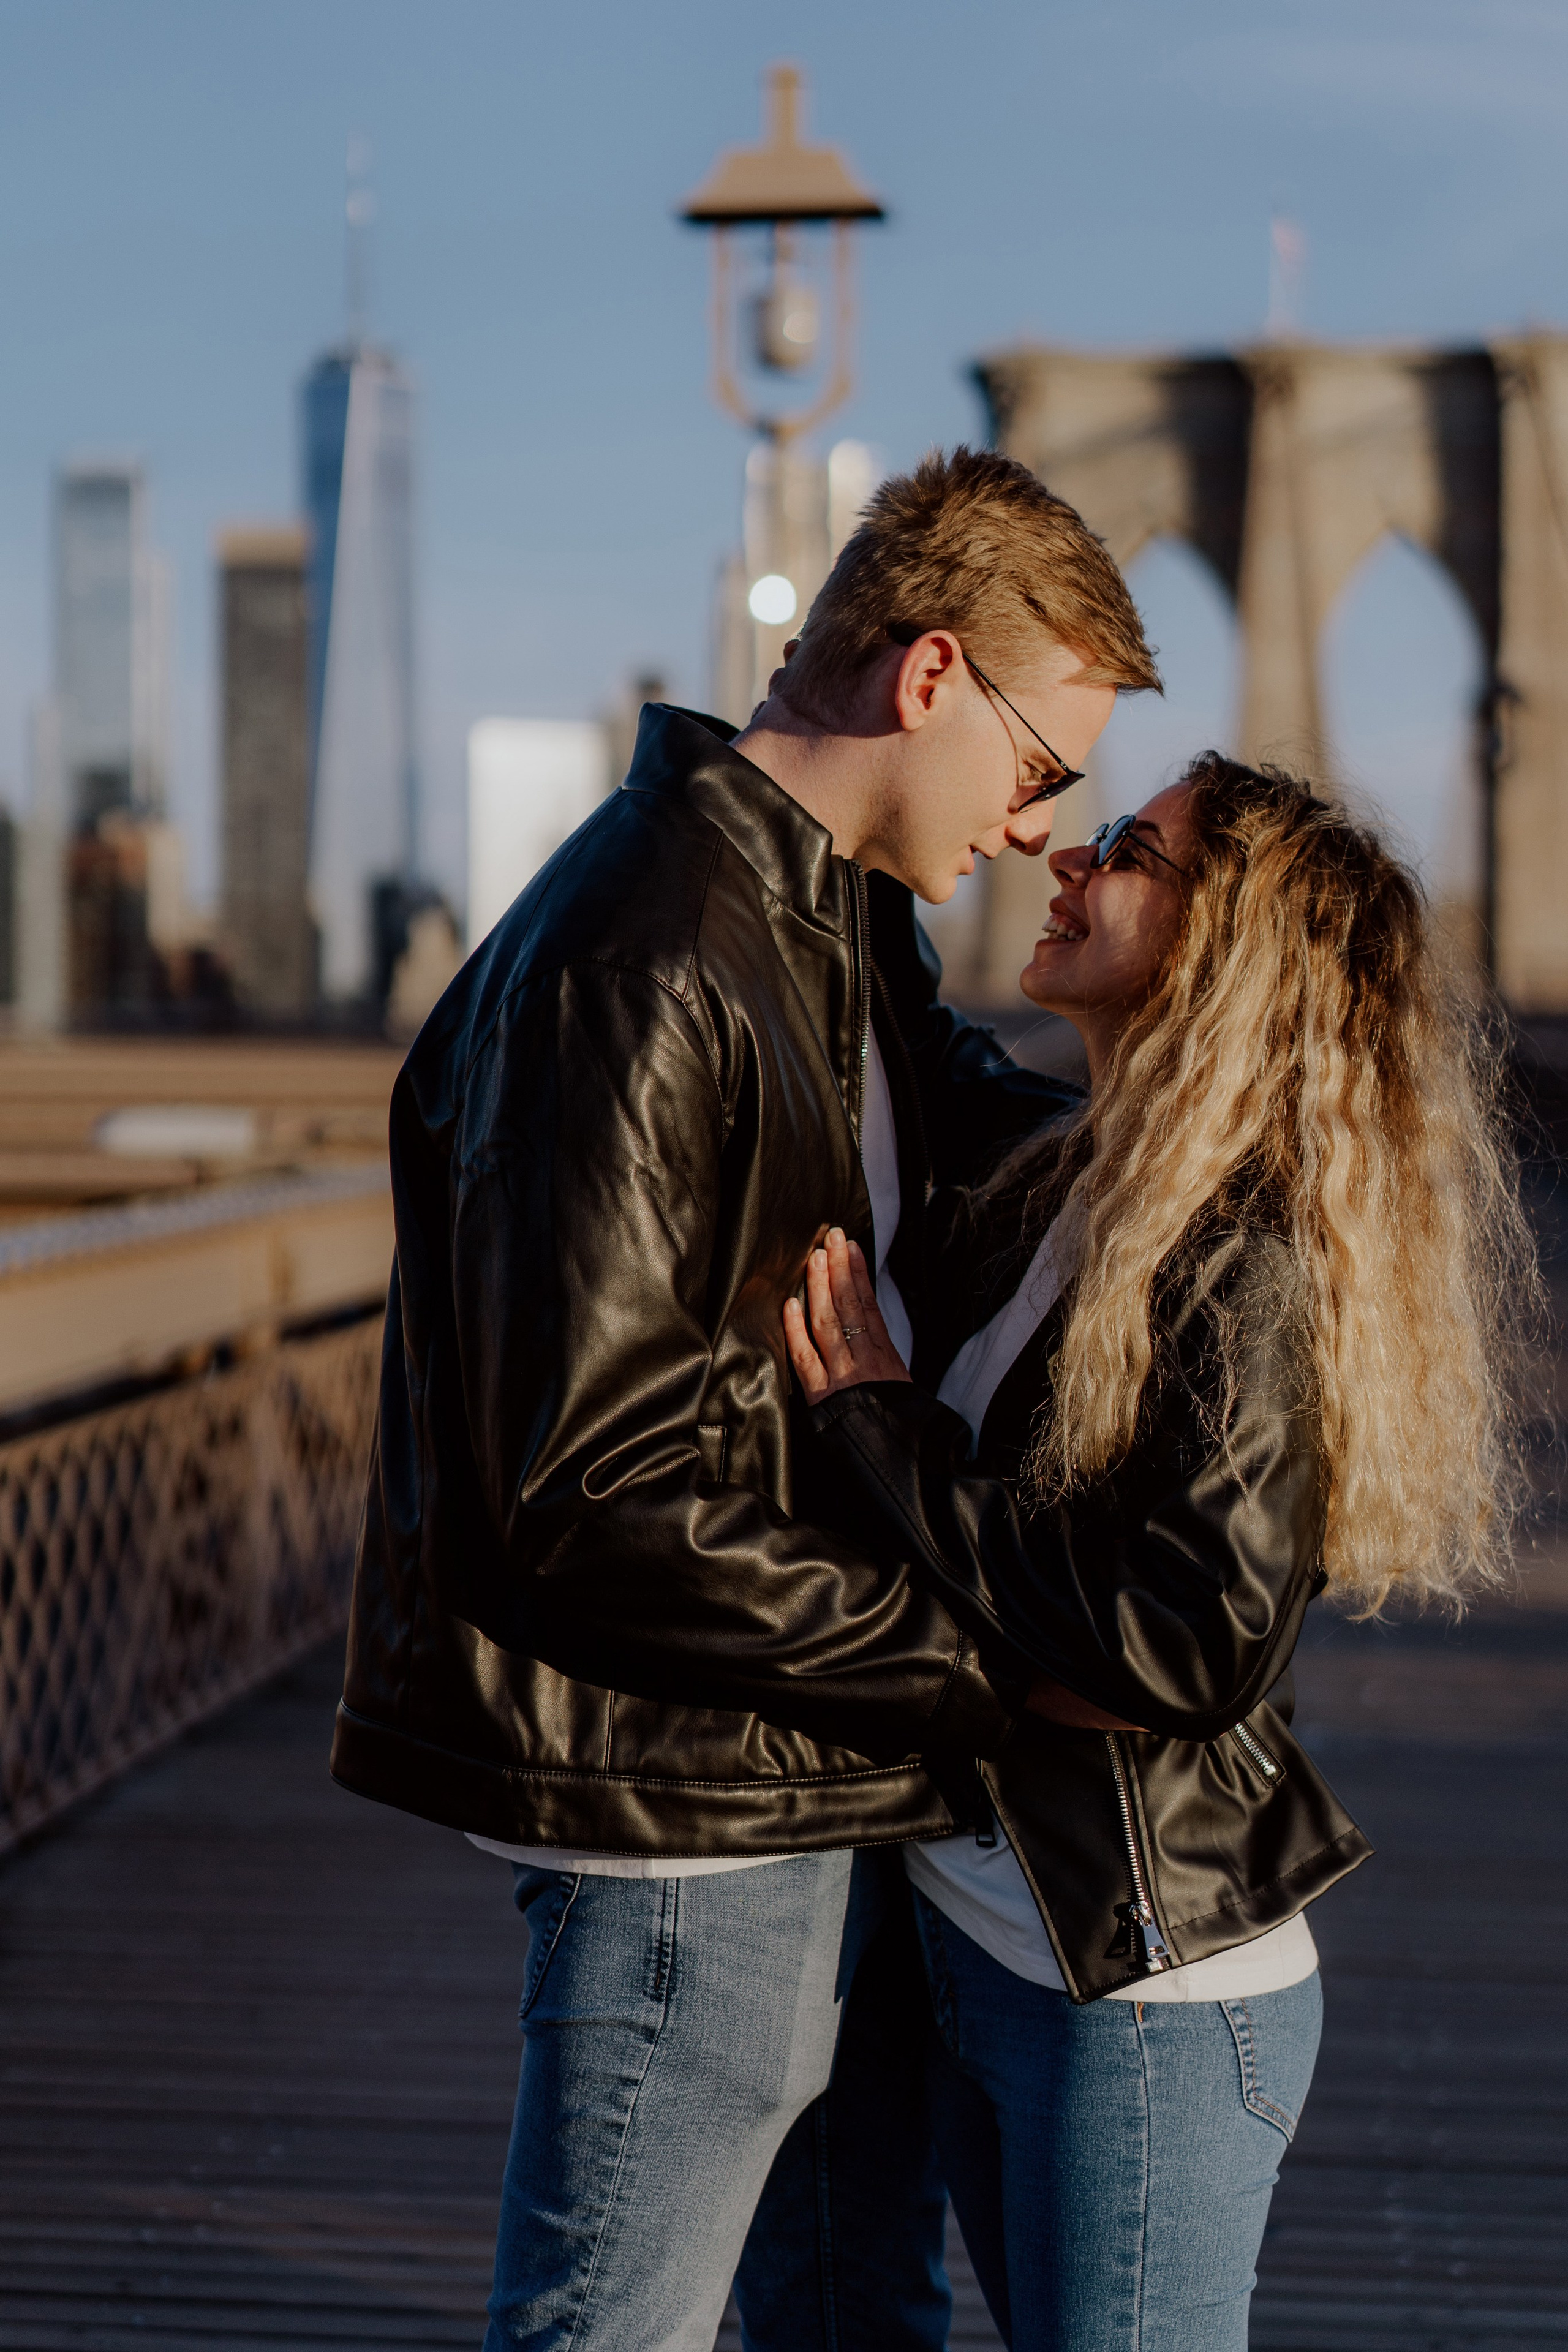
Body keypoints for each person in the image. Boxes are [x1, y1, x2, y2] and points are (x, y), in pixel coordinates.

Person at [330, 447, 1162, 2351]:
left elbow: (963, 1138)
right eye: (1045, 769)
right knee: (610, 2327)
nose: (1045, 830)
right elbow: (590, 1489)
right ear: (932, 675)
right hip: (685, 1824)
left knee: (854, 2306)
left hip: (807, 1774)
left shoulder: (822, 917)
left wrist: (1209, 1163)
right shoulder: (636, 961)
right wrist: (969, 1668)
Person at [784, 753, 1538, 2352]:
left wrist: (885, 1431)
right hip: (994, 1942)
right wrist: (862, 799)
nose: (1062, 859)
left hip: (1143, 2000)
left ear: (1228, 942)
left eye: (1127, 847)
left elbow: (1188, 1648)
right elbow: (904, 1025)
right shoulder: (1073, 1172)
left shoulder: (1239, 1255)